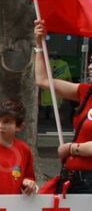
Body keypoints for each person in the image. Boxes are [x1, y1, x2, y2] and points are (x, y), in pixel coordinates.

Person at [35, 19, 92, 194]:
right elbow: (44, 81)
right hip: (73, 178)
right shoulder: (86, 91)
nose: (89, 67)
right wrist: (38, 44)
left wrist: (72, 148)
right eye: (90, 61)